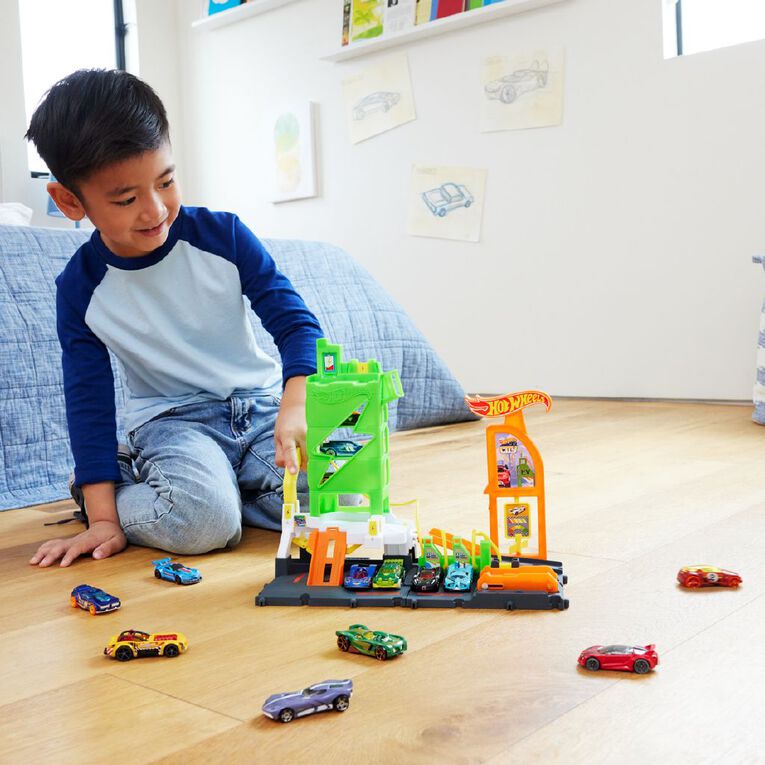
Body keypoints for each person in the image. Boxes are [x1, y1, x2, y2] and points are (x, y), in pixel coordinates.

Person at [25, 69, 322, 568]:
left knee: (342, 495)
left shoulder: (224, 236)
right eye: (126, 199)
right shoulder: (80, 288)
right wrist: (103, 519)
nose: (155, 210)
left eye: (166, 182)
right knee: (204, 525)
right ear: (70, 201)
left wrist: (296, 404)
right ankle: (131, 484)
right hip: (173, 423)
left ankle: (224, 492)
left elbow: (296, 324)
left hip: (261, 407)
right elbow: (88, 401)